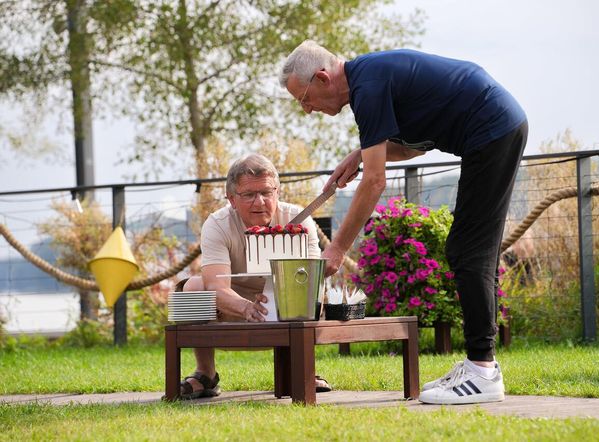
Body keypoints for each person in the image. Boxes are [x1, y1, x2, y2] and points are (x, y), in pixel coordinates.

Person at [280, 41, 528, 405]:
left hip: (492, 129)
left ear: (321, 77)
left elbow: (376, 182)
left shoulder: (367, 86)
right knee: (474, 251)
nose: (306, 110)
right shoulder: (368, 80)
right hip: (497, 127)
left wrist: (338, 247)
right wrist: (361, 155)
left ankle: (482, 369)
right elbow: (413, 148)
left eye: (304, 98)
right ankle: (482, 365)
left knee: (467, 250)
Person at [178, 153, 332, 399]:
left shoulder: (301, 219)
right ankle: (205, 374)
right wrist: (246, 307)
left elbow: (311, 279)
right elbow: (215, 286)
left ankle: (301, 369)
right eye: (248, 195)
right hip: (233, 306)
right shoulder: (217, 224)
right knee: (193, 287)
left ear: (277, 192)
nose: (259, 202)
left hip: (288, 301)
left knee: (314, 289)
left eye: (266, 192)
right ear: (231, 199)